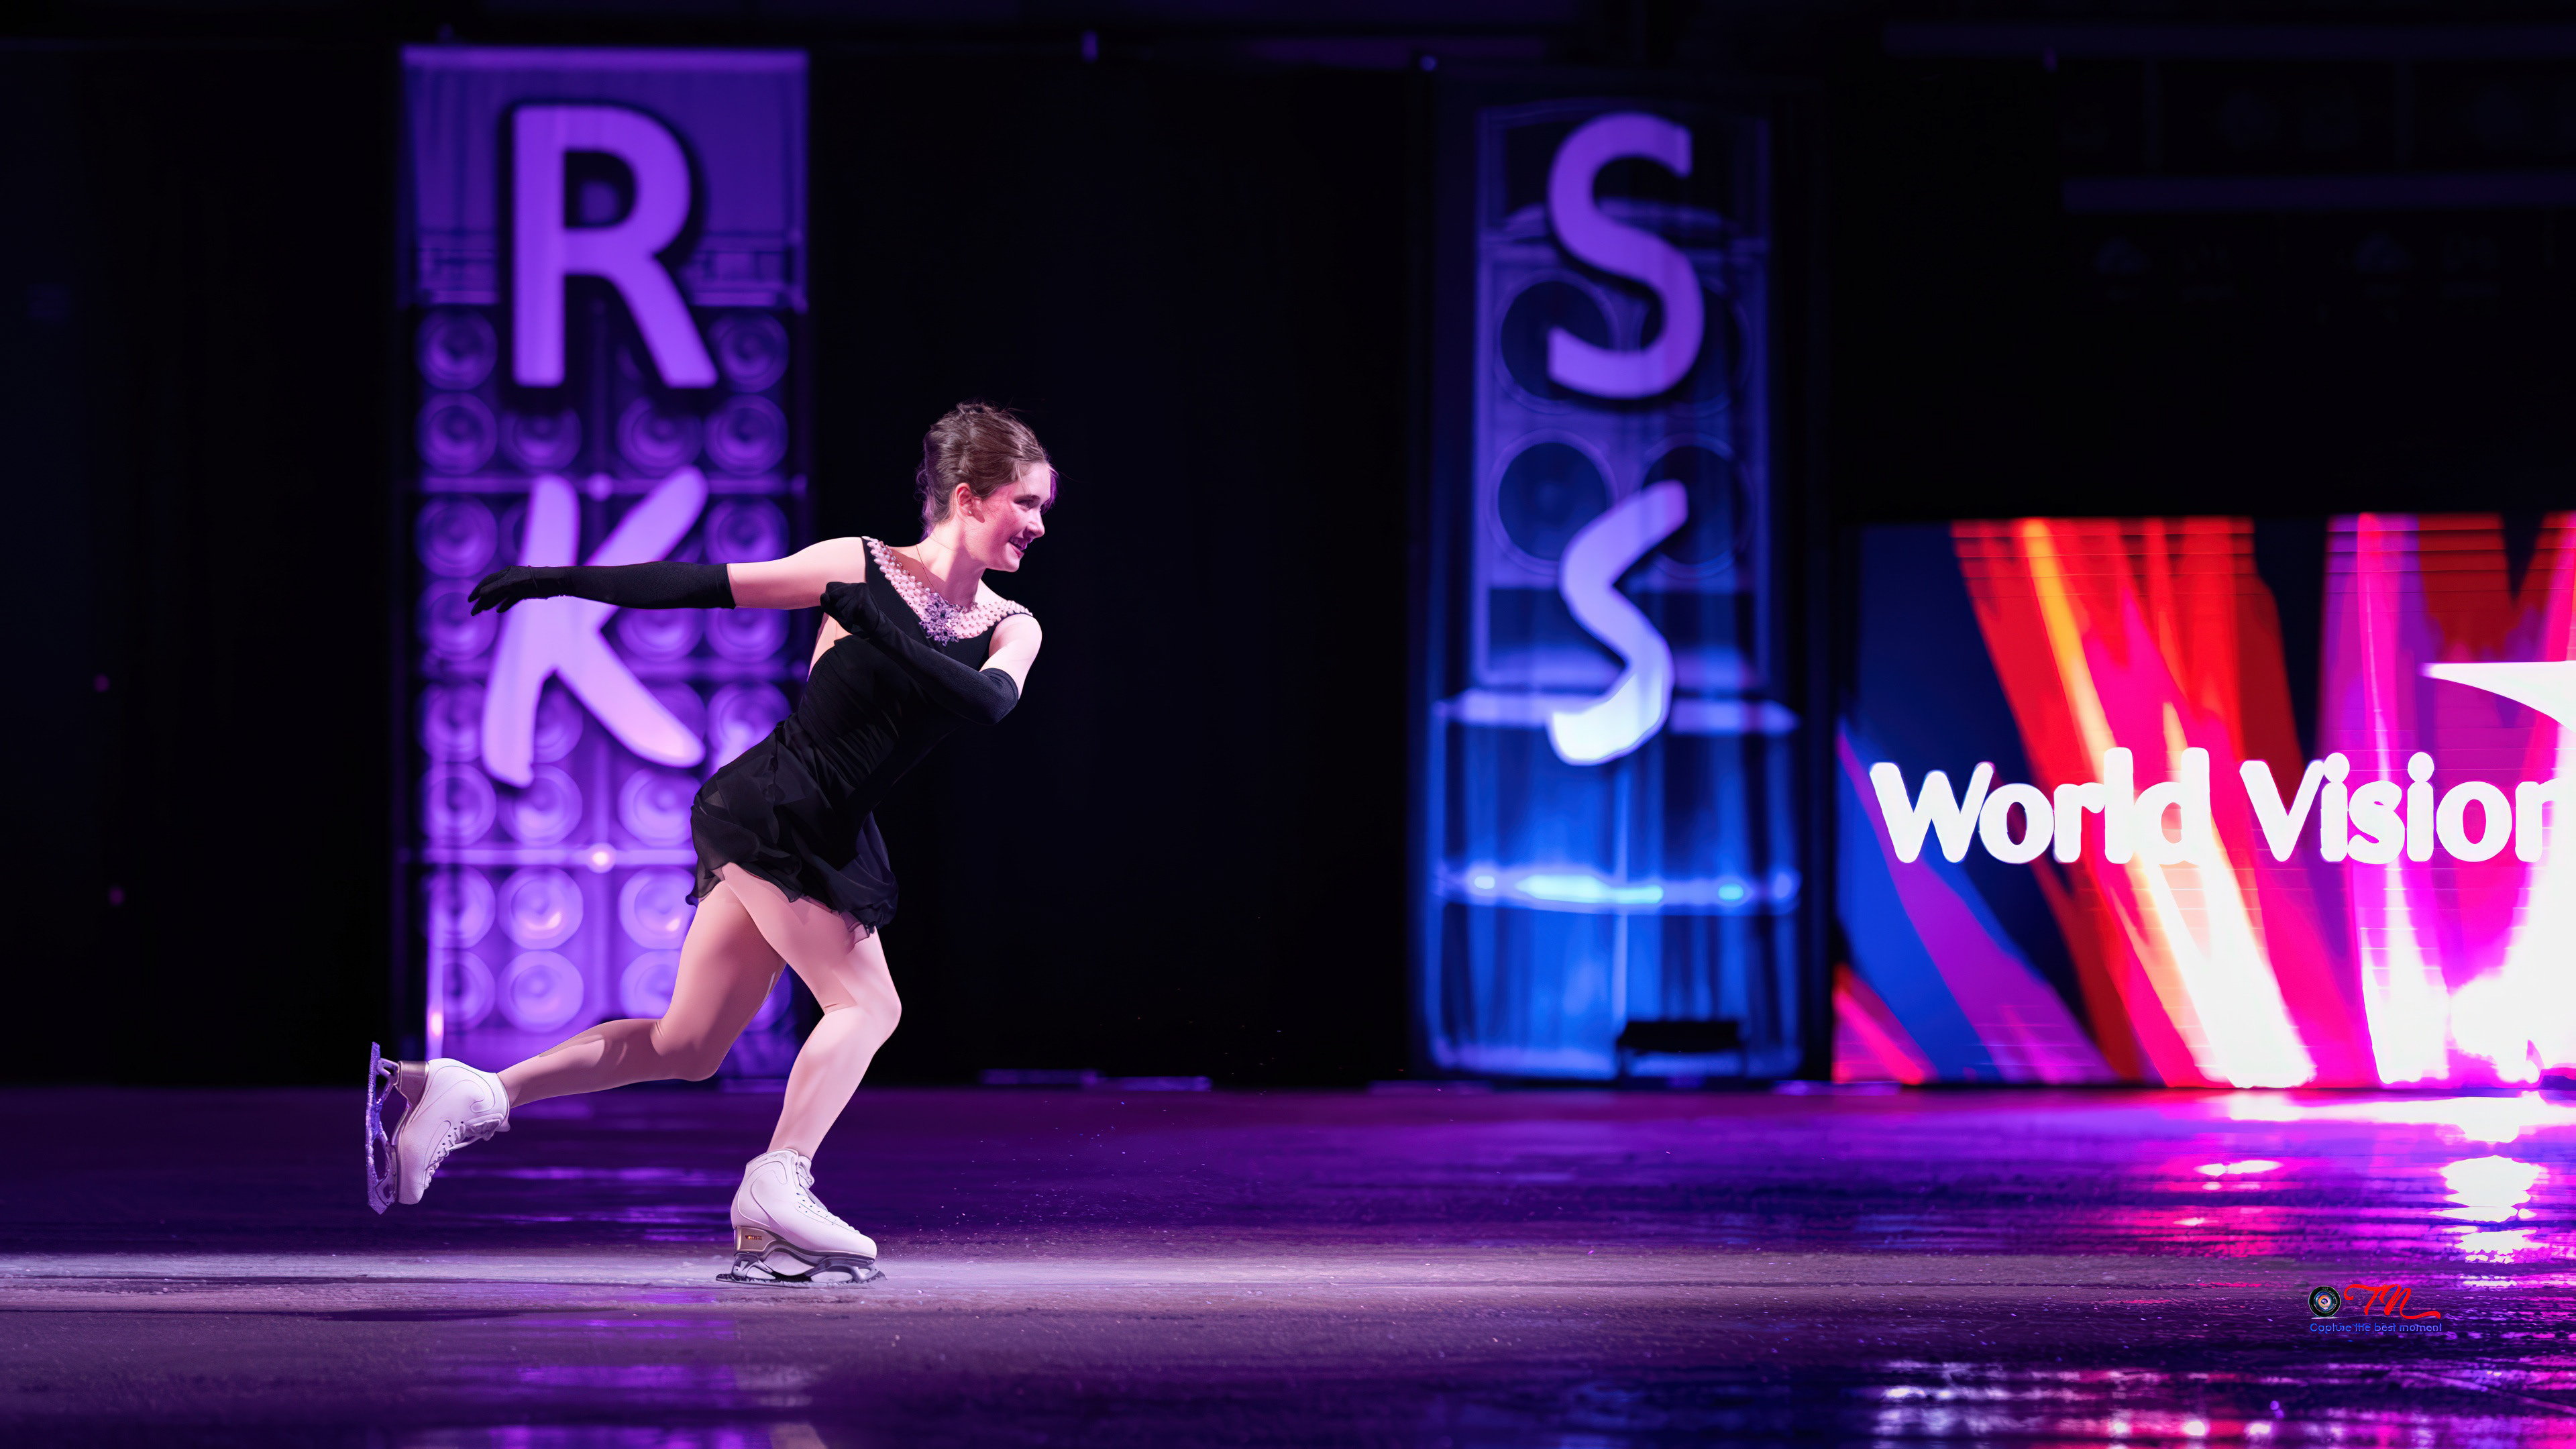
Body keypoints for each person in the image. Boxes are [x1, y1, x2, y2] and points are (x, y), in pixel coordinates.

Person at [366, 401, 1053, 1285]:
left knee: (688, 1047)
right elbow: (705, 582)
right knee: (868, 1006)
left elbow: (989, 703)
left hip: (832, 835)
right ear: (968, 497)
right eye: (1026, 503)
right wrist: (562, 581)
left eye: (1041, 508)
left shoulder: (1009, 623)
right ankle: (778, 1181)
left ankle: (477, 1091)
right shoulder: (856, 564)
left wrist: (881, 630)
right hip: (773, 807)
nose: (1038, 525)